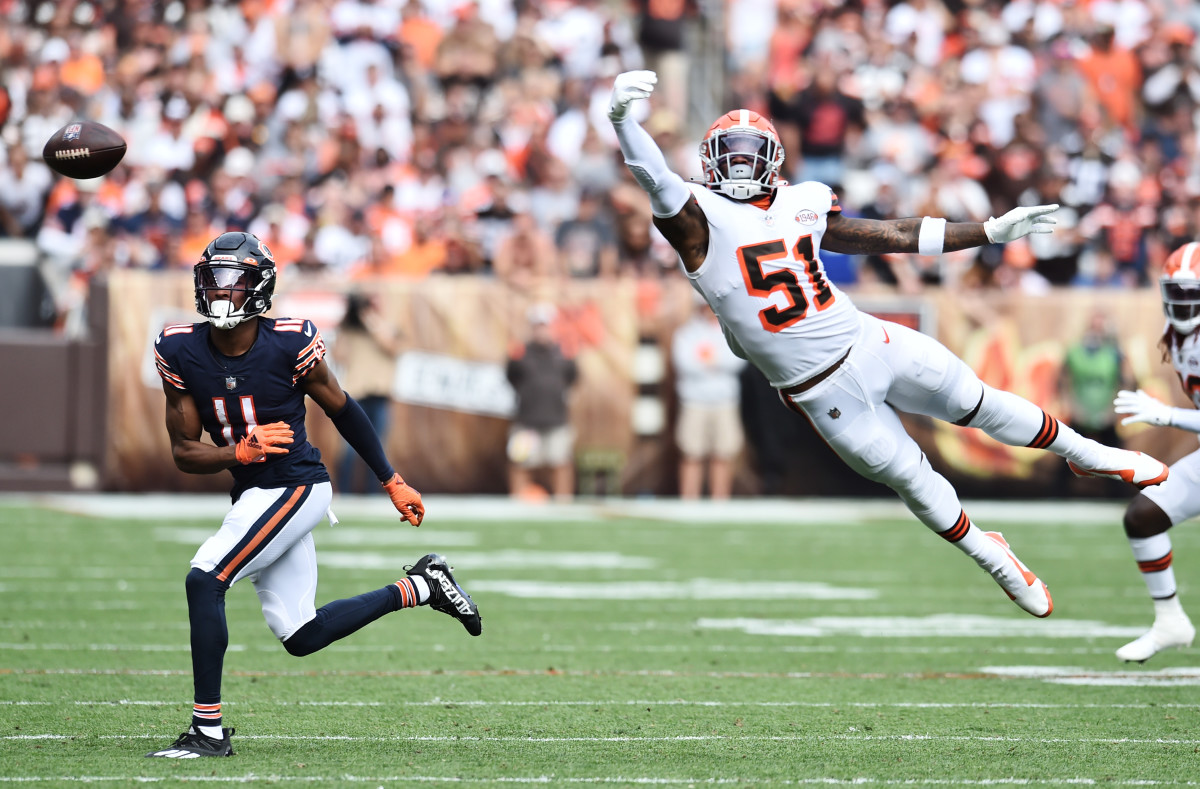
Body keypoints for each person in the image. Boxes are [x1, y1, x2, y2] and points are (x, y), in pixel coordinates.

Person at [607, 70, 1169, 620]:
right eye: (730, 150)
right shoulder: (696, 222)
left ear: (774, 159)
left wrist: (989, 231)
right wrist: (623, 119)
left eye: (751, 150)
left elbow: (892, 235)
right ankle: (991, 555)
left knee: (977, 402)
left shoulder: (802, 202)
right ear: (708, 160)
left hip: (868, 340)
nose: (740, 161)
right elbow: (652, 174)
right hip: (819, 392)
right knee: (912, 478)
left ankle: (1092, 456)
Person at [146, 232, 481, 759]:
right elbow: (185, 452)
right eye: (213, 280)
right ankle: (420, 586)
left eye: (234, 283)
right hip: (253, 489)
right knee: (302, 634)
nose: (221, 293)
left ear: (260, 289)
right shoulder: (179, 348)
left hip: (296, 485)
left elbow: (343, 408)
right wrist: (240, 454)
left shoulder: (290, 343)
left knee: (204, 578)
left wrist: (390, 479)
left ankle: (207, 731)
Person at [1106, 241, 1200, 662]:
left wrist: (1167, 416)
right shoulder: (1180, 337)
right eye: (1175, 294)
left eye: (1191, 294)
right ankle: (1170, 621)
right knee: (1143, 517)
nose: (1182, 304)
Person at [671, 294, 747, 499]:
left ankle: (719, 501)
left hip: (724, 400)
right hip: (694, 401)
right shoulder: (686, 333)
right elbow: (685, 363)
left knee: (723, 454)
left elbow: (737, 361)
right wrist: (715, 363)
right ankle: (689, 499)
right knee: (691, 453)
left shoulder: (729, 331)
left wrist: (708, 362)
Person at [1058, 310, 1136, 497]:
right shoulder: (1074, 351)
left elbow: (1128, 381)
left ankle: (1117, 495)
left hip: (1106, 413)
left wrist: (1114, 409)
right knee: (1066, 453)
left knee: (1114, 456)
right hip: (1080, 411)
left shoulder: (1114, 353)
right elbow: (1062, 381)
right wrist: (1070, 405)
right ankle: (1059, 493)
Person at [506, 303, 578, 500]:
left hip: (556, 419)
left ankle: (563, 503)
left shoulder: (563, 353)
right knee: (521, 463)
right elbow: (511, 377)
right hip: (527, 420)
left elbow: (572, 378)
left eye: (545, 325)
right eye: (538, 326)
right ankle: (518, 502)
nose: (541, 330)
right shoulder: (520, 352)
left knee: (560, 461)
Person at [335, 292, 401, 494]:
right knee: (348, 449)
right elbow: (338, 357)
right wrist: (346, 322)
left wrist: (370, 320)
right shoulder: (348, 330)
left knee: (378, 449)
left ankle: (373, 493)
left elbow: (391, 348)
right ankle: (344, 493)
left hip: (379, 394)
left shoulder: (386, 327)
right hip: (356, 394)